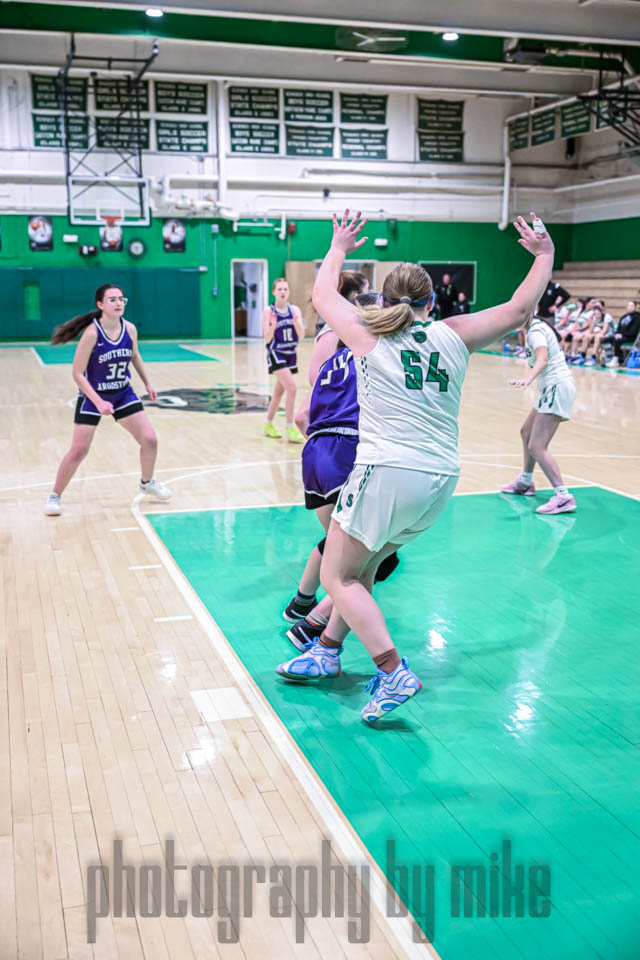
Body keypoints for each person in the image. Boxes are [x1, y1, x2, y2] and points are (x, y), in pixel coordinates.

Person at [275, 209, 555, 723]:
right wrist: (545, 255)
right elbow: (520, 309)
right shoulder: (455, 333)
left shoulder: (368, 333)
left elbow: (321, 294)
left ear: (384, 301)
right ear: (432, 303)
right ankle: (327, 650)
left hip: (386, 471)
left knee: (338, 576)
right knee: (365, 568)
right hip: (440, 481)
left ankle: (392, 671)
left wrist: (338, 247)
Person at [284, 286, 399, 651]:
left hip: (314, 455)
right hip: (347, 451)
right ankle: (313, 627)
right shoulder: (376, 355)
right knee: (372, 558)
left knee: (339, 544)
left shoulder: (332, 360)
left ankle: (302, 604)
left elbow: (301, 417)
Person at [44, 283, 171, 517]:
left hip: (122, 392)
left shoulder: (130, 329)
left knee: (150, 439)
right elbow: (77, 374)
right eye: (112, 299)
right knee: (79, 450)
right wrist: (99, 402)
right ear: (100, 304)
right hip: (93, 395)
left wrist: (147, 383)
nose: (118, 303)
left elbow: (135, 355)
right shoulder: (92, 334)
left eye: (121, 299)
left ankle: (147, 482)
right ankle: (55, 495)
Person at [501, 314, 577, 514]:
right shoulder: (535, 329)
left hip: (556, 387)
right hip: (551, 388)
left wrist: (527, 380)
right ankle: (525, 482)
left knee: (537, 446)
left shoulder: (535, 331)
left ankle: (563, 497)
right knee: (526, 432)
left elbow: (542, 359)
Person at [263, 278, 306, 443]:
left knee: (278, 393)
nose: (283, 292)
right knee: (292, 389)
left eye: (285, 289)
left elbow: (301, 335)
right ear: (274, 292)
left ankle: (268, 424)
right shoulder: (269, 311)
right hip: (276, 353)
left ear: (289, 292)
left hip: (290, 354)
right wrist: (273, 325)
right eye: (279, 289)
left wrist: (297, 323)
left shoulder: (294, 310)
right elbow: (267, 338)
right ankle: (289, 427)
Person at [604, 300, 640, 367]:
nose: (630, 307)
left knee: (617, 341)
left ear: (635, 307)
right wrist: (617, 334)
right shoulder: (624, 317)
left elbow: (633, 331)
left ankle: (616, 360)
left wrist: (622, 335)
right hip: (622, 336)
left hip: (631, 338)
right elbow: (618, 328)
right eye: (628, 306)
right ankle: (609, 357)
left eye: (632, 306)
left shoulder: (637, 317)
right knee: (606, 340)